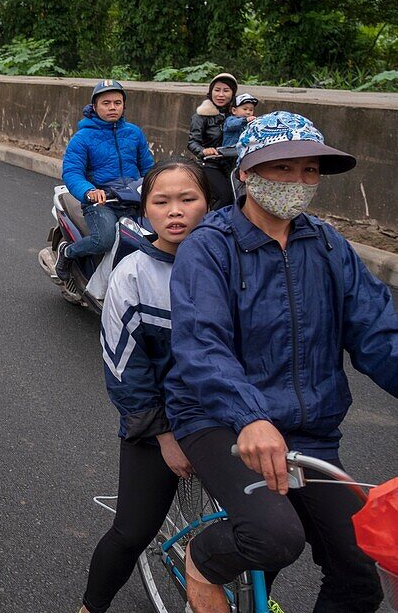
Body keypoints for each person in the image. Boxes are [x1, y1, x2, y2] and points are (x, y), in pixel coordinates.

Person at [165, 112, 398, 613]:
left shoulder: (330, 245)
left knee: (361, 572)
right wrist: (250, 416)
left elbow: (379, 333)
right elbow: (202, 345)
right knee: (274, 537)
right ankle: (201, 562)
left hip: (309, 433)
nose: (298, 182)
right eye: (282, 169)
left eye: (309, 170)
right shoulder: (210, 247)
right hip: (220, 420)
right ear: (245, 172)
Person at [78, 161, 211, 613]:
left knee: (264, 534)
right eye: (162, 202)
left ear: (209, 204)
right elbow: (125, 371)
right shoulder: (132, 275)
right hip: (159, 425)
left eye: (188, 200)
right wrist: (164, 437)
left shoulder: (231, 264)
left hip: (225, 420)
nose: (176, 212)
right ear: (145, 210)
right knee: (132, 532)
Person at [55, 80, 155, 280]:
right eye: (106, 103)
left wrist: (160, 186)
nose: (112, 107)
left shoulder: (134, 133)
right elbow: (72, 172)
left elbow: (149, 168)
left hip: (133, 198)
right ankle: (68, 253)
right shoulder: (82, 138)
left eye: (117, 103)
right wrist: (89, 191)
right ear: (95, 107)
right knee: (105, 239)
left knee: (160, 235)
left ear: (123, 106)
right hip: (102, 202)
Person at [187, 73, 238, 209]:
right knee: (225, 197)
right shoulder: (201, 116)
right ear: (211, 92)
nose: (221, 95)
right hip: (209, 164)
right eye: (217, 90)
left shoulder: (236, 116)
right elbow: (192, 143)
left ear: (233, 94)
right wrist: (204, 151)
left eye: (226, 91)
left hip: (232, 165)